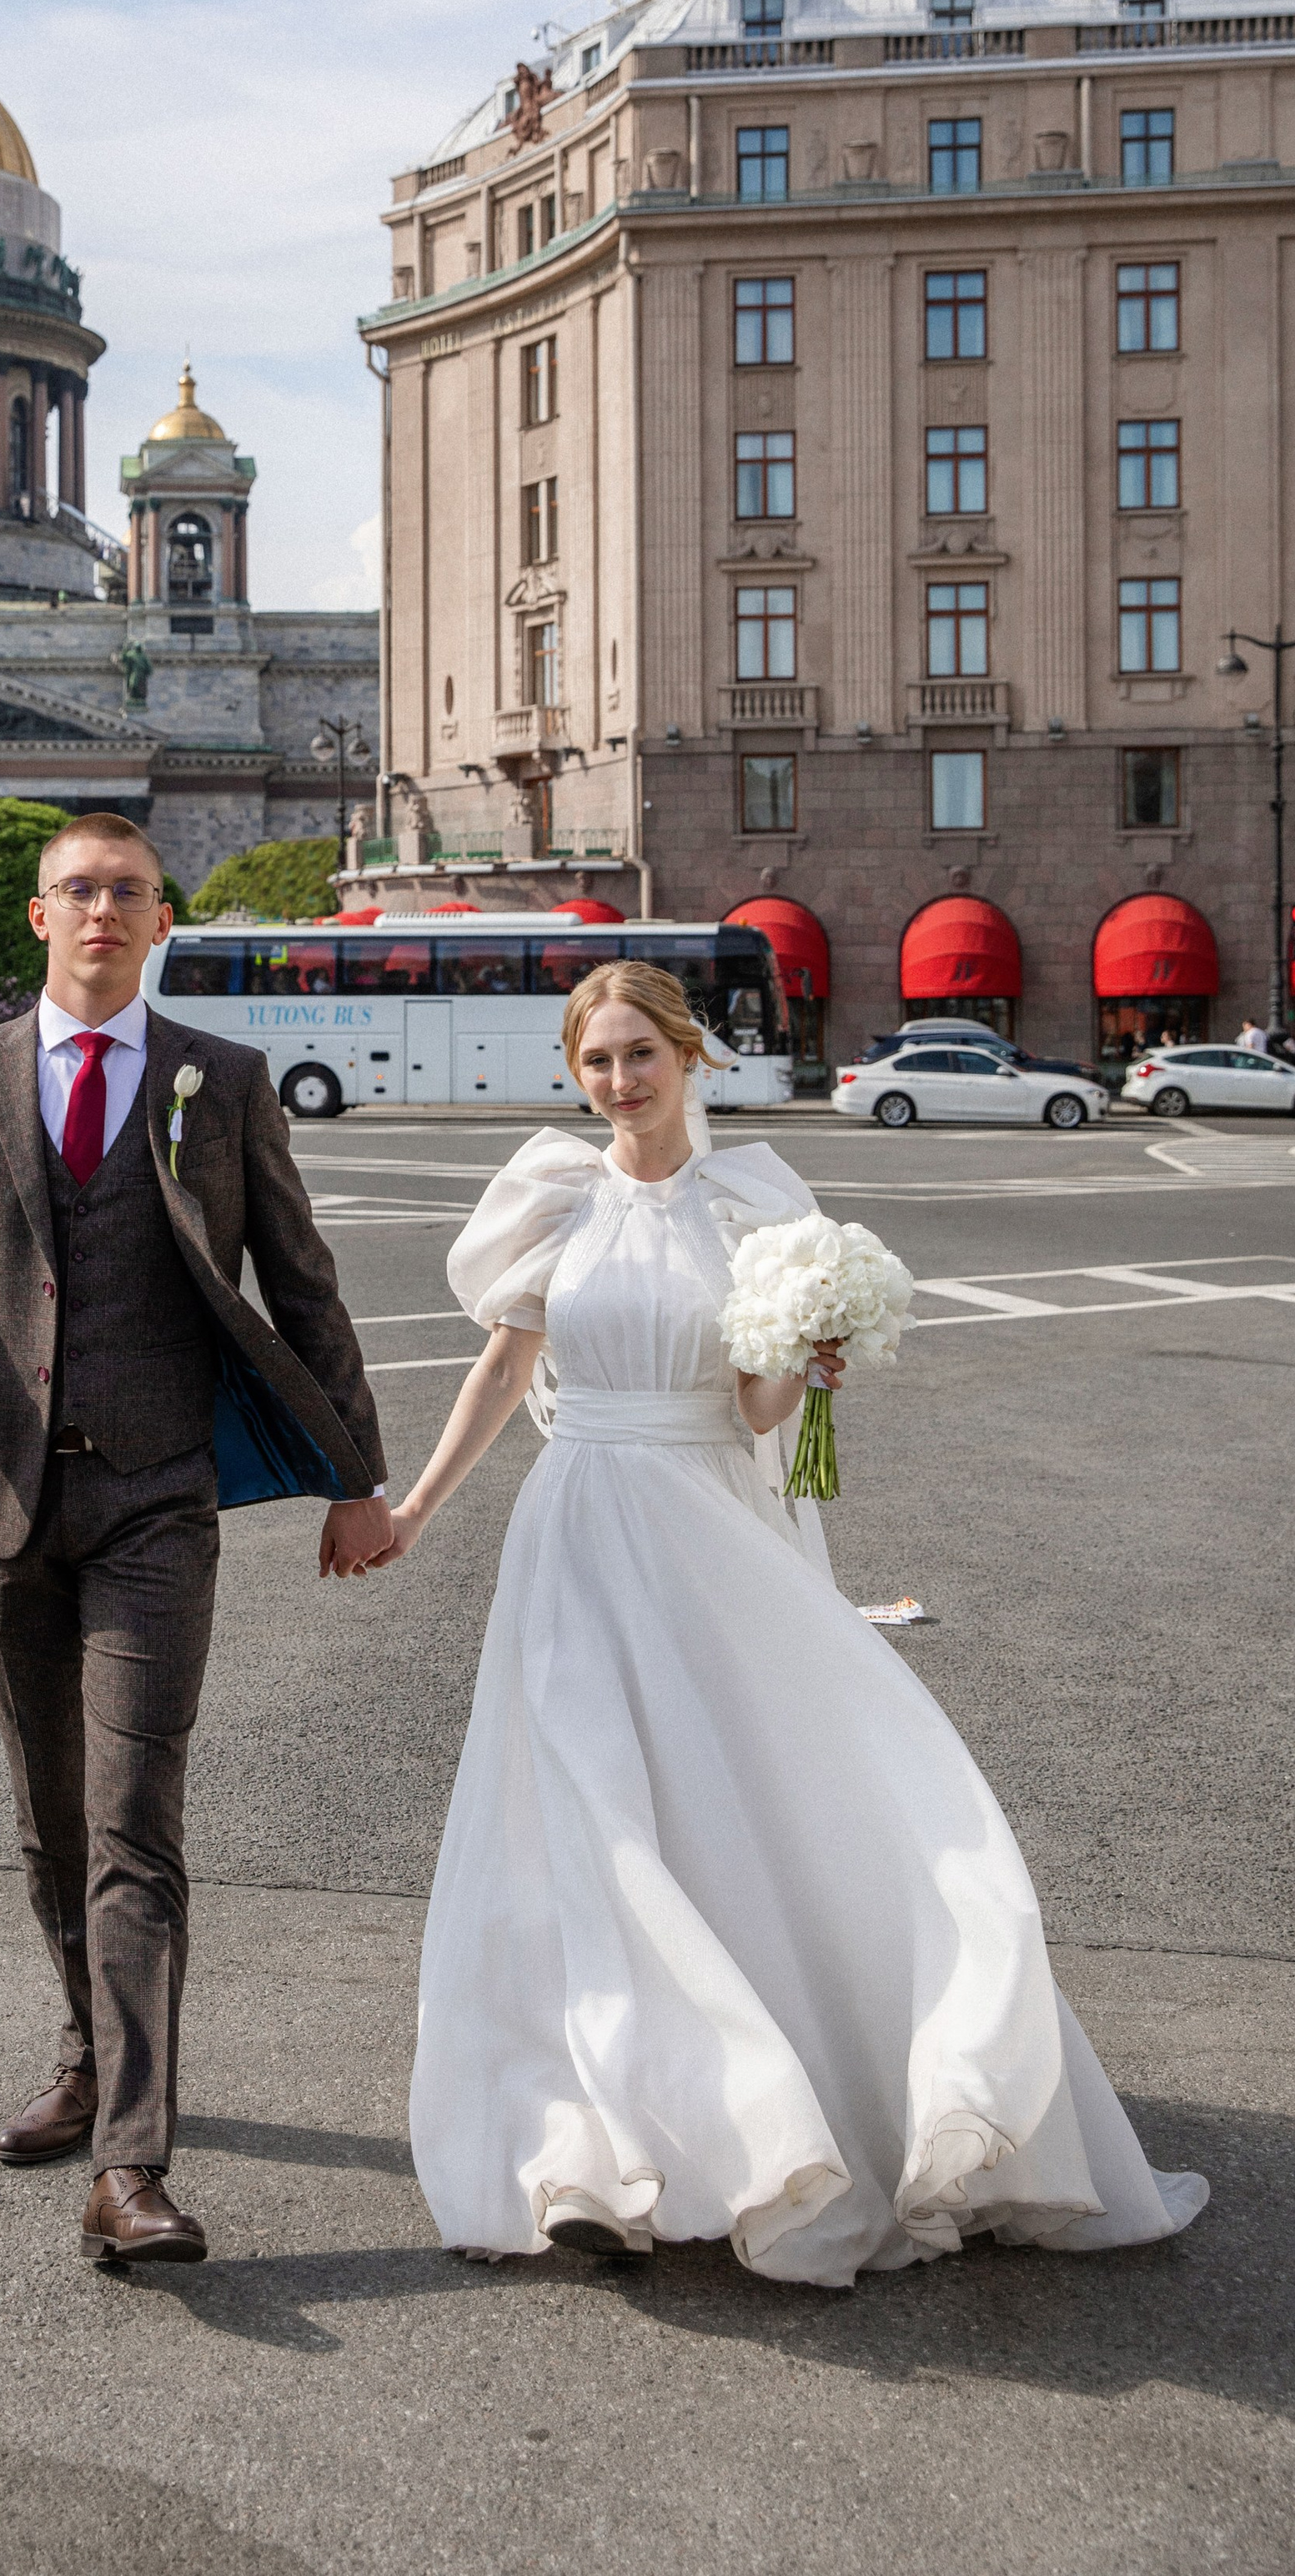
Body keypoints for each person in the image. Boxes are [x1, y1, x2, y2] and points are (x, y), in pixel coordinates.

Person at [384, 959, 1206, 2287]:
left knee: (741, 1803)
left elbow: (759, 1414)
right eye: (595, 1061)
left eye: (639, 1055)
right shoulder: (549, 1196)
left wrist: (813, 1359)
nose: (616, 1081)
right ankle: (586, 2144)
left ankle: (764, 2109)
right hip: (576, 1526)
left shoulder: (755, 1203)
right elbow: (503, 1364)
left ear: (690, 1057)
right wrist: (413, 1509)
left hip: (705, 1528)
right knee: (581, 1814)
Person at [0, 811, 391, 2269]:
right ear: (41, 920)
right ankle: (92, 2051)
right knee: (51, 1823)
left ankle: (130, 2167)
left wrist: (359, 1475)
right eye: (78, 891)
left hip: (160, 1502)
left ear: (164, 922)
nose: (102, 912)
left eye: (128, 894)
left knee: (135, 1825)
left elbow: (304, 1285)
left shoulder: (221, 1082)